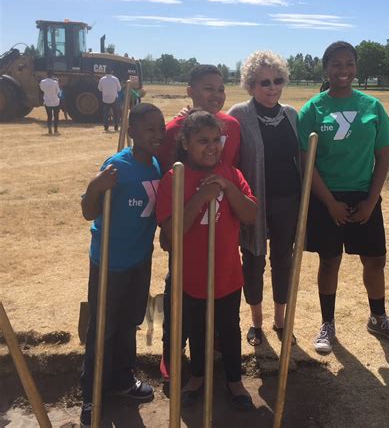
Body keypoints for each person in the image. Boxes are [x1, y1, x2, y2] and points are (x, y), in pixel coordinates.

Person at [297, 41, 389, 354]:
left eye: (349, 63)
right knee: (330, 260)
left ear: (357, 68)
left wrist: (372, 201)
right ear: (326, 68)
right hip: (327, 197)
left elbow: (383, 158)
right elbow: (304, 161)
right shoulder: (313, 109)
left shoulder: (373, 107)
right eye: (336, 64)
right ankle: (327, 324)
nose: (343, 70)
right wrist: (330, 203)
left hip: (364, 194)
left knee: (375, 261)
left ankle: (378, 318)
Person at [156, 111, 257, 410]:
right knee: (197, 328)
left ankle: (234, 380)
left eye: (216, 140)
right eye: (203, 141)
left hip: (227, 273)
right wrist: (202, 197)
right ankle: (198, 376)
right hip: (191, 275)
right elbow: (171, 236)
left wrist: (226, 187)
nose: (212, 146)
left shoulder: (231, 173)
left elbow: (250, 215)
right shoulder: (174, 178)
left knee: (229, 327)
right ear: (185, 142)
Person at [79, 103, 166, 427]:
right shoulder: (117, 167)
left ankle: (122, 380)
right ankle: (91, 395)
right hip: (109, 263)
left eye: (161, 128)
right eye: (149, 129)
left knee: (130, 322)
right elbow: (89, 211)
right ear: (131, 133)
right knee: (103, 329)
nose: (157, 135)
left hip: (140, 259)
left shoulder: (156, 164)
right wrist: (94, 187)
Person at [156, 64, 241, 382]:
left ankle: (214, 352)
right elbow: (164, 173)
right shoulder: (173, 128)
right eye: (208, 88)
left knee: (220, 298)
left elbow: (235, 168)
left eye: (221, 88)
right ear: (190, 91)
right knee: (180, 297)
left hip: (221, 218)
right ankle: (172, 359)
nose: (216, 95)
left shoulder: (232, 125)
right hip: (184, 222)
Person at [228, 51, 301, 347]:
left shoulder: (292, 115)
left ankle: (281, 320)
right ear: (250, 86)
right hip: (253, 202)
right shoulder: (239, 114)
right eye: (264, 83)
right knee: (254, 259)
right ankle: (256, 322)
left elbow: (302, 158)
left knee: (283, 260)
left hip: (288, 201)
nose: (272, 88)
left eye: (277, 81)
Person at [98, 66, 121, 132]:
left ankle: (106, 126)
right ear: (112, 72)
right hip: (114, 98)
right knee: (116, 113)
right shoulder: (115, 79)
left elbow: (99, 89)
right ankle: (116, 126)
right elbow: (119, 89)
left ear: (105, 71)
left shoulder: (102, 79)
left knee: (105, 113)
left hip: (105, 98)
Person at [39, 70, 61, 134]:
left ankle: (49, 129)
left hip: (47, 101)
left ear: (47, 75)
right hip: (55, 101)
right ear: (52, 75)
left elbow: (41, 89)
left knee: (49, 116)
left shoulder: (42, 82)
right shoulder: (55, 82)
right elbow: (58, 92)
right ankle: (55, 130)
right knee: (56, 116)